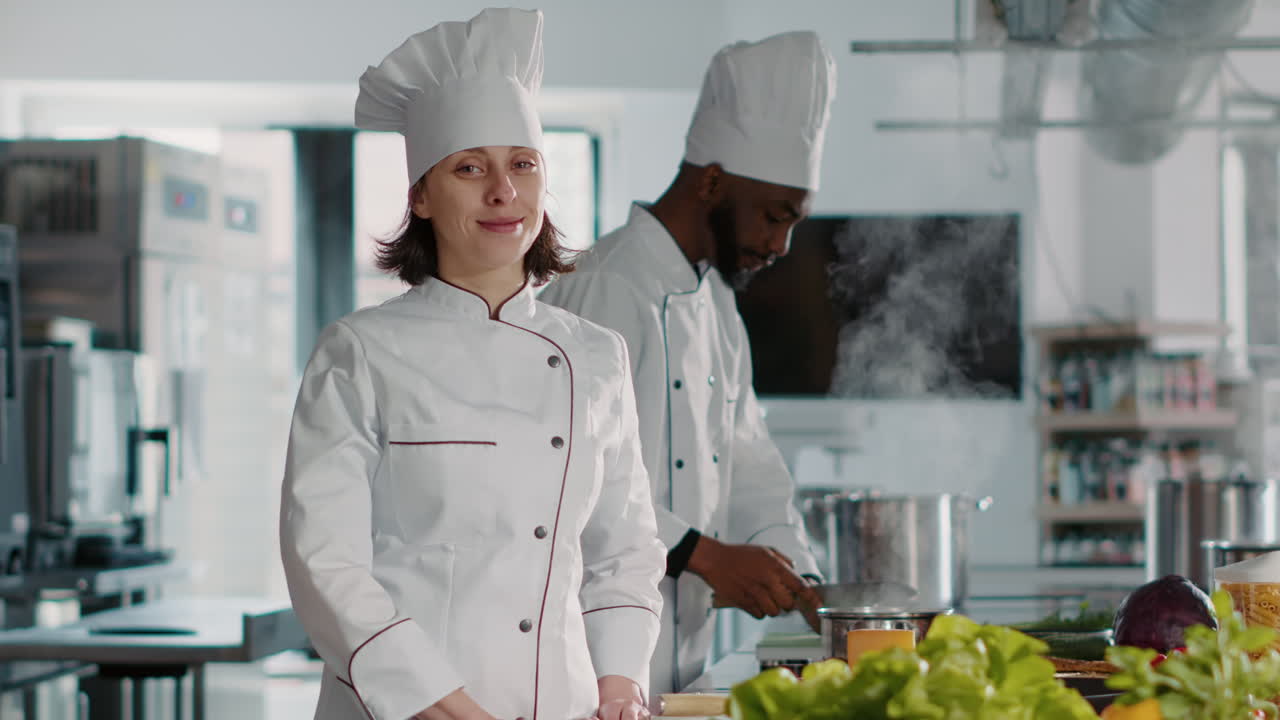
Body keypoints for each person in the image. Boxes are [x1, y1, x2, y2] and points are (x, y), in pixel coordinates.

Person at [279, 9, 664, 720]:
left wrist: (621, 684)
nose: (502, 192)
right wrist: (444, 706)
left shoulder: (595, 355)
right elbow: (325, 563)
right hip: (403, 708)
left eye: (523, 164)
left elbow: (624, 549)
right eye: (469, 167)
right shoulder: (359, 352)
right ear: (421, 196)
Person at [539, 30, 837, 693]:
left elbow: (752, 461)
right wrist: (704, 555)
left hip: (680, 662)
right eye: (773, 215)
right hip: (588, 660)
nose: (782, 245)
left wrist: (803, 579)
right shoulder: (607, 285)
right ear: (711, 181)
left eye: (793, 223)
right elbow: (567, 470)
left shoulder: (718, 308)